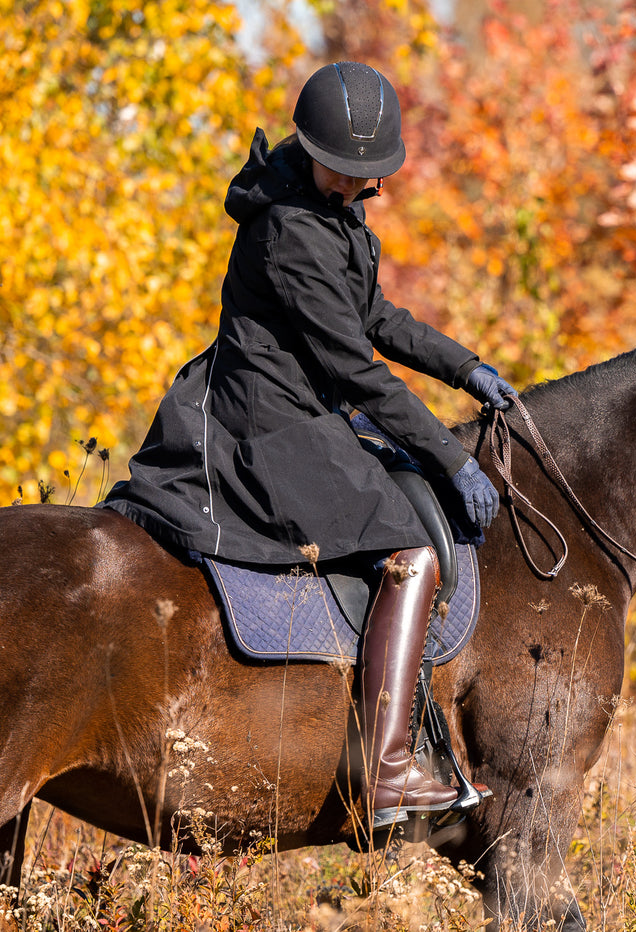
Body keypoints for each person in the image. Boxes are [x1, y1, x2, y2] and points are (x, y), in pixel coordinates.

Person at [102, 61, 516, 830]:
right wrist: (454, 458)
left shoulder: (332, 210)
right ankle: (386, 770)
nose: (358, 185)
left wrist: (467, 367)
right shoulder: (292, 230)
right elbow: (354, 368)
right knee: (413, 554)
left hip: (305, 404)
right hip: (269, 422)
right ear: (308, 146)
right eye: (345, 170)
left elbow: (378, 317)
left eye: (368, 176)